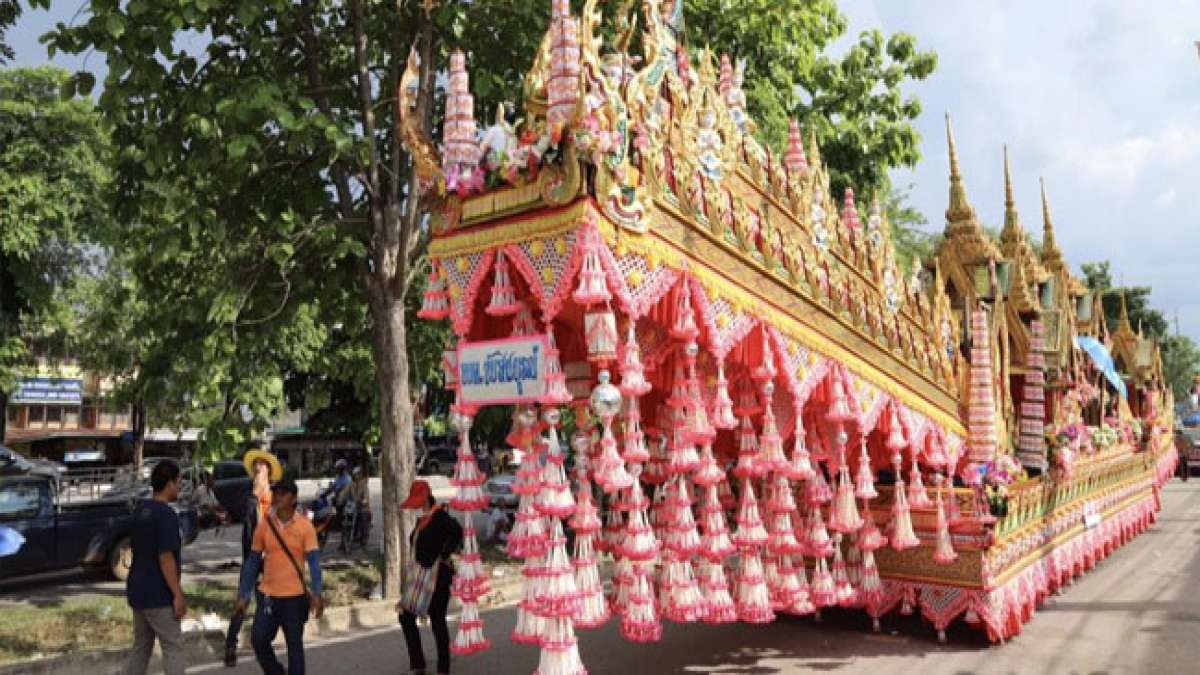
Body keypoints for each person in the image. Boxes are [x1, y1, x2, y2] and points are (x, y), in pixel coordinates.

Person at [234, 478, 324, 675]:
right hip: (268, 597)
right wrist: (244, 595)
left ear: (293, 498)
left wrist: (317, 593)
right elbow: (252, 562)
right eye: (276, 492)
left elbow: (315, 563)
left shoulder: (305, 527)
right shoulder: (265, 525)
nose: (278, 496)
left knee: (295, 648)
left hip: (294, 597)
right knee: (258, 641)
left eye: (283, 493)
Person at [124, 460, 186, 675]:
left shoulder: (140, 511)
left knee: (141, 646)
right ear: (169, 484)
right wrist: (177, 594)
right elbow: (166, 558)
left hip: (137, 590)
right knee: (173, 646)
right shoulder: (166, 515)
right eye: (179, 482)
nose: (180, 486)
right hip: (159, 594)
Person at [398, 479, 463, 675]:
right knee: (406, 616)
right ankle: (418, 664)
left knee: (437, 620)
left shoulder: (440, 516)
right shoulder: (422, 520)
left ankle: (443, 668)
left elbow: (458, 532)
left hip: (440, 577)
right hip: (421, 577)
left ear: (425, 497)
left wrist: (443, 555)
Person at [225, 448, 282, 667]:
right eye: (255, 465)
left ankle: (262, 643)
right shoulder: (249, 497)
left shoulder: (276, 499)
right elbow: (243, 519)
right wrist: (253, 497)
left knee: (266, 603)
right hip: (252, 558)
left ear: (269, 470)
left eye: (262, 465)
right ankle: (231, 645)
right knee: (242, 600)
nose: (258, 468)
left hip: (271, 560)